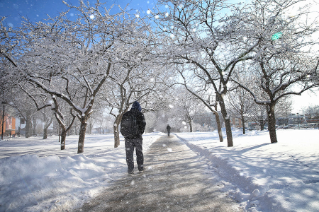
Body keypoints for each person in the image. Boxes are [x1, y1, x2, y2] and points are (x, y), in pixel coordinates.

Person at [120, 101, 146, 174]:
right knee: (139, 153)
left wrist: (125, 135)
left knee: (129, 154)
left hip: (128, 139)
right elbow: (143, 125)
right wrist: (139, 133)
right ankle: (140, 168)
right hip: (137, 138)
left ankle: (130, 169)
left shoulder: (126, 114)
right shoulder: (140, 114)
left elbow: (122, 126)